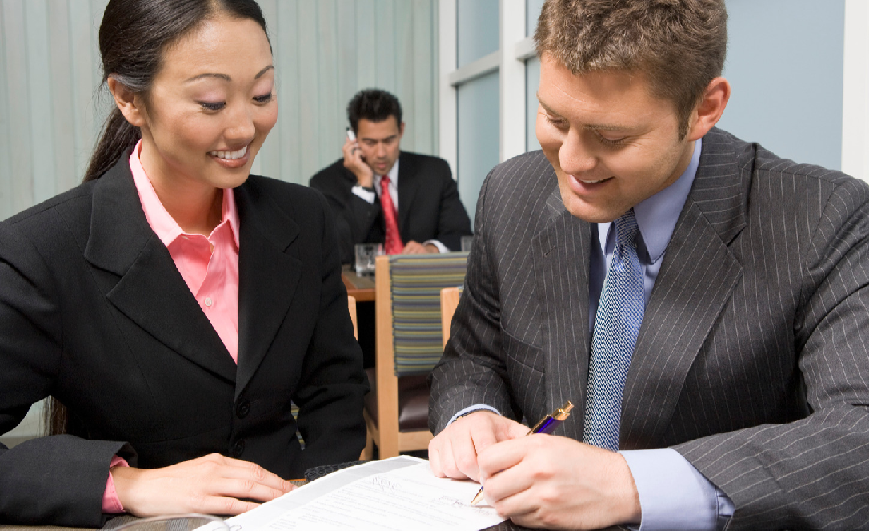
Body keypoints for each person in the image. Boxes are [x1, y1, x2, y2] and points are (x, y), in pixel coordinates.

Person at [428, 0, 869, 529]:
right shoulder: (511, 194)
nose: (570, 162)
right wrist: (470, 415)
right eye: (554, 118)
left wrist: (628, 484)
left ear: (705, 108)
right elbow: (474, 356)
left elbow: (857, 433)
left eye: (612, 137)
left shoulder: (821, 218)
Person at [0, 0, 367, 526]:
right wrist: (128, 485)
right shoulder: (40, 253)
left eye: (262, 93)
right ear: (129, 98)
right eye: (212, 102)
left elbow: (336, 389)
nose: (244, 127)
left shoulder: (304, 219)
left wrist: (317, 491)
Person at [309, 89, 472, 264]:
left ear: (401, 130)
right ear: (353, 138)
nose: (381, 153)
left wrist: (430, 249)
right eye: (370, 143)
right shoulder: (326, 183)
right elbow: (336, 252)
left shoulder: (435, 172)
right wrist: (364, 187)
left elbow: (462, 237)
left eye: (389, 141)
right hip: (362, 289)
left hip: (421, 285)